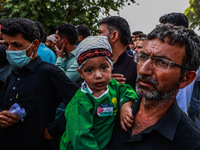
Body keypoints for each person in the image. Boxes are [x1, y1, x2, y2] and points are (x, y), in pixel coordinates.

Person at [108, 23, 200, 150]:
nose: (143, 70)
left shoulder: (191, 142)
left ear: (186, 78)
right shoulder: (110, 110)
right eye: (143, 57)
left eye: (162, 62)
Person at [0, 18, 79, 150]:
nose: (10, 50)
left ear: (35, 44)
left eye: (17, 45)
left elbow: (80, 102)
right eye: (7, 45)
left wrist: (54, 129)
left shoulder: (50, 73)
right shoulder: (13, 74)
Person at [60, 36, 138, 150]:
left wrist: (125, 106)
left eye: (104, 67)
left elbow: (126, 90)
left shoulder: (113, 85)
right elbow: (81, 138)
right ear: (80, 73)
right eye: (89, 70)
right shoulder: (80, 104)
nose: (98, 75)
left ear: (111, 66)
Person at [98, 16, 137, 89]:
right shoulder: (96, 64)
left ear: (114, 36)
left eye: (100, 33)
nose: (97, 37)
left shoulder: (135, 67)